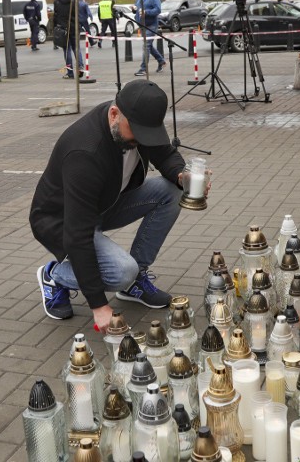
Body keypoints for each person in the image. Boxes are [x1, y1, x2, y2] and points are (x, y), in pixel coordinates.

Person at [30, 80, 210, 327]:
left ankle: (134, 282)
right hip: (63, 219)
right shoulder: (85, 152)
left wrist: (182, 176)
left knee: (172, 191)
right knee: (121, 271)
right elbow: (77, 234)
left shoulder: (139, 122)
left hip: (106, 203)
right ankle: (54, 275)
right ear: (114, 114)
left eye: (146, 134)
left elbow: (165, 153)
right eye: (135, 132)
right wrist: (98, 304)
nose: (141, 139)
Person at [133, 0, 165, 77]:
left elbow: (158, 9)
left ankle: (143, 69)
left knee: (146, 46)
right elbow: (138, 9)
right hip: (142, 25)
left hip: (151, 25)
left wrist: (146, 12)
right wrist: (134, 9)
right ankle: (161, 61)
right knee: (149, 46)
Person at [53, 0, 78, 79]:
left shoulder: (57, 1)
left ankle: (70, 73)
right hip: (73, 27)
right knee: (77, 49)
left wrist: (56, 27)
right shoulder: (73, 0)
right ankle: (80, 69)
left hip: (63, 29)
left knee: (67, 50)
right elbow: (77, 15)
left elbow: (55, 16)